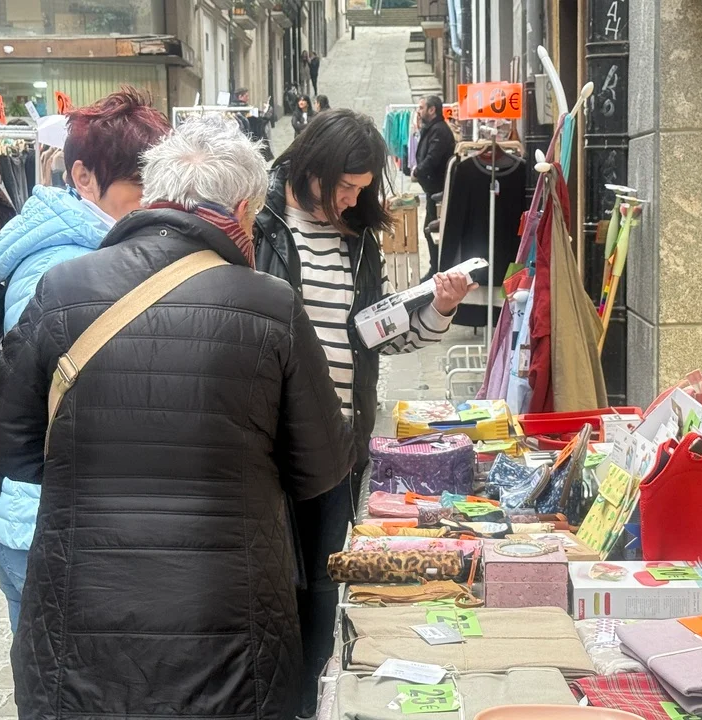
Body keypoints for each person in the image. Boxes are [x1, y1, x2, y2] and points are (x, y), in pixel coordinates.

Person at [0, 114, 355, 720]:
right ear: (242, 210)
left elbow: (8, 447)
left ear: (154, 192)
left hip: (82, 623)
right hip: (228, 630)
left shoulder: (61, 288)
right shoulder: (270, 305)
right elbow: (321, 469)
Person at [251, 108, 475, 718]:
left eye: (361, 190)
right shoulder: (261, 225)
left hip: (338, 445)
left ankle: (316, 700)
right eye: (345, 187)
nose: (352, 201)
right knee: (272, 586)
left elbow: (372, 337)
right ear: (312, 169)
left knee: (329, 582)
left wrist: (438, 308)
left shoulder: (357, 242)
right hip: (269, 446)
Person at [0, 87, 172, 632]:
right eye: (139, 186)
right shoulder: (59, 266)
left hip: (60, 516)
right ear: (82, 176)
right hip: (45, 523)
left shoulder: (102, 248)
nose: (154, 201)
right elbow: (35, 399)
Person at [411, 95, 456, 280]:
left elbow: (432, 158)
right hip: (433, 190)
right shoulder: (432, 128)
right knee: (430, 229)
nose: (419, 111)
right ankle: (436, 268)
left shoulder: (439, 131)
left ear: (432, 110)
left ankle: (437, 270)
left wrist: (418, 171)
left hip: (439, 191)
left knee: (431, 229)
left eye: (422, 108)